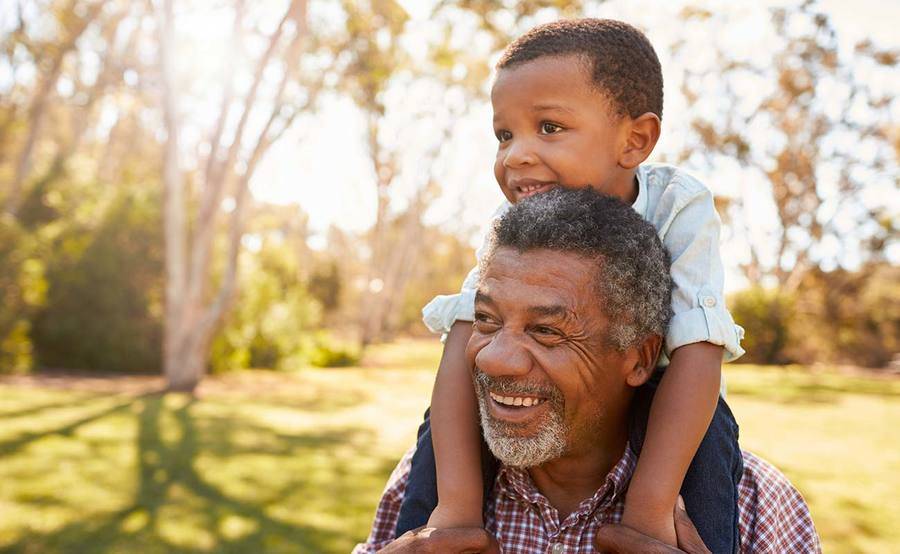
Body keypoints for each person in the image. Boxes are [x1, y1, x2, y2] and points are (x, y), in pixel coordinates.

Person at [396, 19, 746, 552]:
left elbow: (699, 348)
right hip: (554, 407)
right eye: (504, 134)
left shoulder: (678, 205)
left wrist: (649, 512)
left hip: (666, 388)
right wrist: (457, 505)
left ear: (635, 140)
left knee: (712, 434)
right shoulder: (509, 225)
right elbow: (462, 340)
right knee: (438, 427)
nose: (515, 155)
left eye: (549, 128)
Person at [356, 188, 819, 553]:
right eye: (486, 320)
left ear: (639, 358)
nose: (493, 358)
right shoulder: (427, 485)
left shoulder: (756, 507)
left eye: (546, 331)